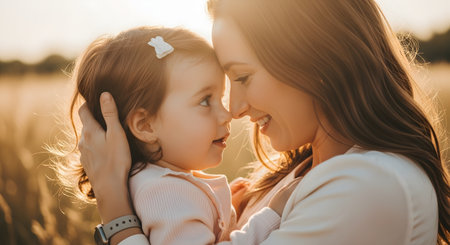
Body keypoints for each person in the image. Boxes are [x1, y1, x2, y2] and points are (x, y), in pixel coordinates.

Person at [77, 0, 450, 244]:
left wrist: (118, 218)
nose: (235, 109)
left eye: (241, 78)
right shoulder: (309, 169)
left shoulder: (369, 184)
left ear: (312, 59)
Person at [58, 26, 292, 245]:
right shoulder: (167, 195)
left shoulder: (159, 188)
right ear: (146, 126)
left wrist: (219, 210)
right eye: (204, 101)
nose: (227, 114)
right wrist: (269, 216)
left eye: (220, 97)